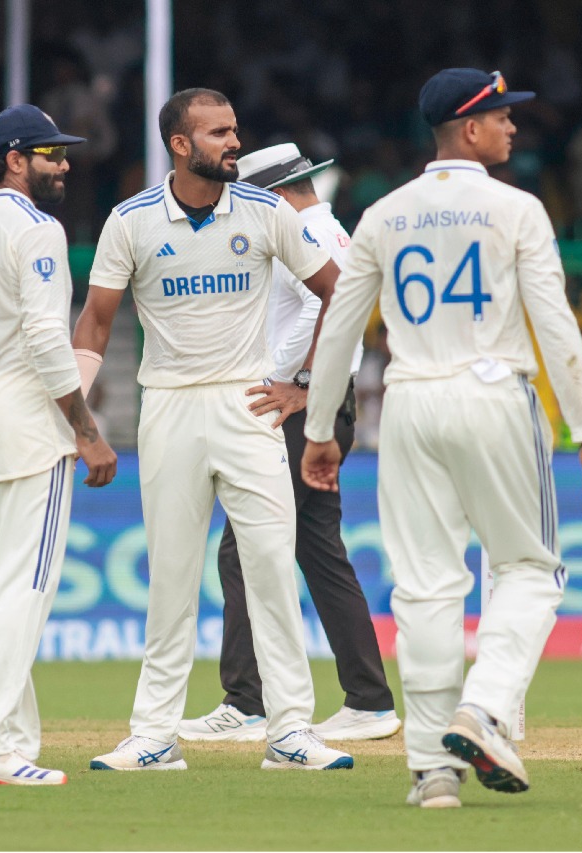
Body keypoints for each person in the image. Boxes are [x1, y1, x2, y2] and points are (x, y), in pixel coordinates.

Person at [301, 68, 582, 808]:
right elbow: (554, 324)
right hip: (491, 393)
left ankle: (431, 769)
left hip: (409, 402)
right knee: (530, 569)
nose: (513, 127)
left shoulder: (381, 213)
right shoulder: (516, 209)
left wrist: (320, 429)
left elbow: (342, 327)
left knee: (425, 587)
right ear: (468, 130)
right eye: (502, 116)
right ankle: (486, 707)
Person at [74, 88, 353, 772]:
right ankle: (153, 735)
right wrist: (78, 419)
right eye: (220, 132)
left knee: (269, 570)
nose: (234, 142)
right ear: (180, 144)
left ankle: (290, 732)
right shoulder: (131, 220)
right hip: (166, 405)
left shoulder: (263, 211)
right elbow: (94, 325)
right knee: (171, 575)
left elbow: (339, 292)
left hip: (248, 403)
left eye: (234, 130)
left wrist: (306, 386)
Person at [179, 142, 398, 744]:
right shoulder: (330, 228)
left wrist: (293, 379)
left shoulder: (302, 231)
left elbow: (319, 308)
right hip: (325, 403)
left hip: (303, 408)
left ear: (269, 193)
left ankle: (247, 703)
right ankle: (368, 699)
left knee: (240, 551)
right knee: (319, 551)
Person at [0, 104, 117, 786]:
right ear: (15, 158)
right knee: (25, 589)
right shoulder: (37, 230)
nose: (64, 165)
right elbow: (46, 337)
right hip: (30, 424)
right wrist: (85, 429)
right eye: (51, 154)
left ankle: (11, 740)